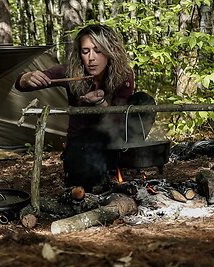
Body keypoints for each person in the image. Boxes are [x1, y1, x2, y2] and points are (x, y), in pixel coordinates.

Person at [14, 24, 156, 193]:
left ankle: (128, 158)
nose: (91, 58)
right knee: (87, 180)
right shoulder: (71, 71)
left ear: (110, 51)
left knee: (144, 101)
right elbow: (21, 84)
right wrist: (27, 77)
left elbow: (119, 120)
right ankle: (91, 170)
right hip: (83, 142)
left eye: (98, 50)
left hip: (116, 138)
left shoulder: (123, 74)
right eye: (85, 51)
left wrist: (100, 102)